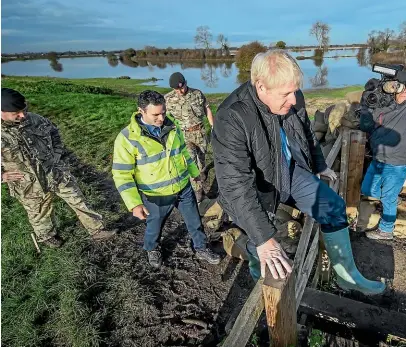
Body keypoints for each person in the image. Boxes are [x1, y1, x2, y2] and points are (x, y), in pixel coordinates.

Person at [211, 50, 385, 295]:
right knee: (261, 240)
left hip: (288, 171)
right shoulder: (232, 117)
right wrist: (263, 238)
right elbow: (235, 184)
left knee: (332, 206)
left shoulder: (294, 98)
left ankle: (348, 277)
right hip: (256, 186)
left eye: (294, 91)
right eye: (286, 94)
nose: (294, 99)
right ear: (261, 86)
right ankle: (262, 290)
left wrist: (320, 166)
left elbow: (307, 136)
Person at [112, 90, 220, 268]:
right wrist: (134, 204)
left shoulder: (173, 126)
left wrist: (194, 173)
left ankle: (201, 247)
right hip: (156, 194)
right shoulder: (127, 138)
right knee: (155, 225)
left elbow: (183, 152)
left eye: (163, 112)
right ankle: (152, 248)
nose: (161, 118)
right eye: (156, 115)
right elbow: (121, 173)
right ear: (141, 111)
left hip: (183, 186)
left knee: (194, 219)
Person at [1, 88, 117, 247]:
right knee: (38, 211)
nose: (22, 116)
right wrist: (2, 176)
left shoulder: (35, 119)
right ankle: (46, 235)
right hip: (27, 182)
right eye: (16, 113)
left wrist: (56, 154)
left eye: (24, 110)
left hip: (54, 172)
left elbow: (54, 132)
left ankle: (97, 230)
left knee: (78, 199)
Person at [360, 71, 406, 240]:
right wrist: (366, 103)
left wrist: (396, 74)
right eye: (400, 87)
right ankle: (391, 201)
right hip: (379, 158)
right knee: (367, 189)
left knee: (388, 197)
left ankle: (386, 230)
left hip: (398, 162)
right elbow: (365, 126)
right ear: (393, 91)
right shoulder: (383, 107)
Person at [165, 72, 214, 201]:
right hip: (183, 135)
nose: (180, 91)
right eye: (177, 89)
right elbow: (164, 118)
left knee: (201, 162)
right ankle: (198, 192)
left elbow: (207, 109)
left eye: (182, 87)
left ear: (186, 83)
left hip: (200, 133)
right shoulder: (168, 99)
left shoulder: (197, 94)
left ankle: (203, 182)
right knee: (191, 162)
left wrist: (213, 125)